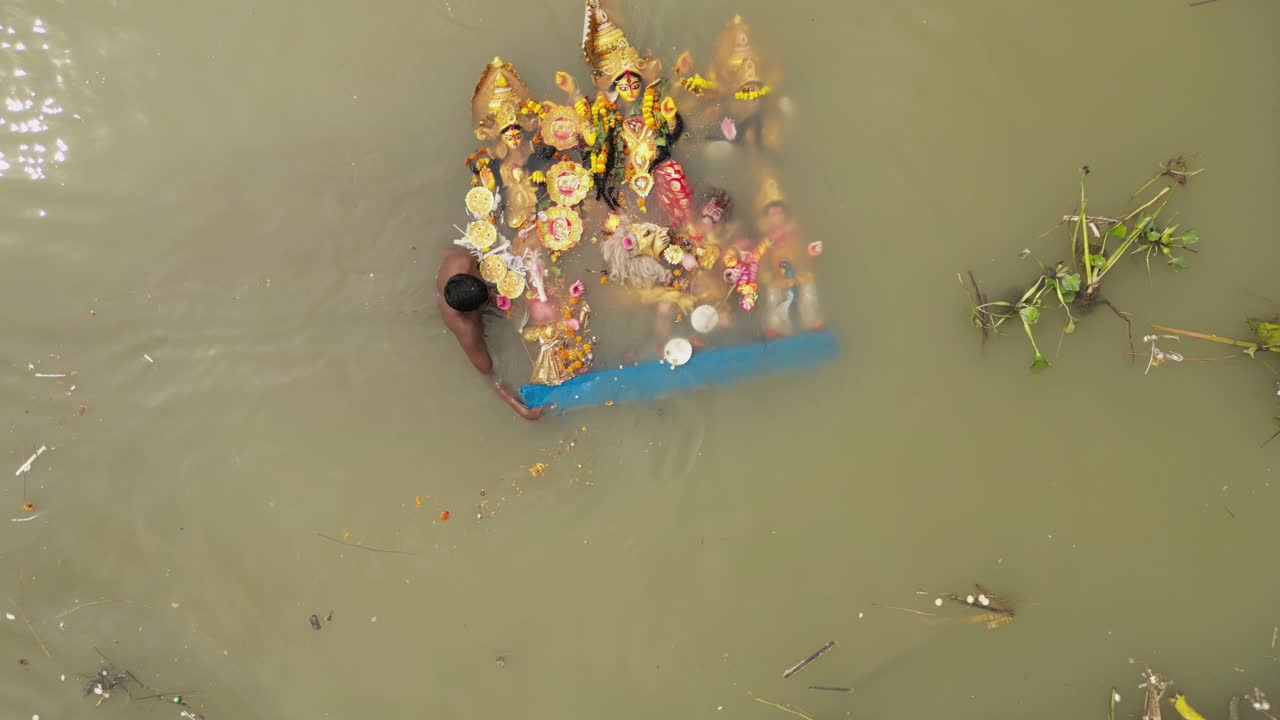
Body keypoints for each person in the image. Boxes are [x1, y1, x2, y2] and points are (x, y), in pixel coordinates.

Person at [436, 247, 544, 420]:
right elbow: (489, 374)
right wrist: (520, 408)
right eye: (487, 301)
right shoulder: (467, 328)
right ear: (474, 311)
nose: (493, 297)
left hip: (461, 289)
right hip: (460, 308)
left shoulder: (463, 261)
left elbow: (446, 250)